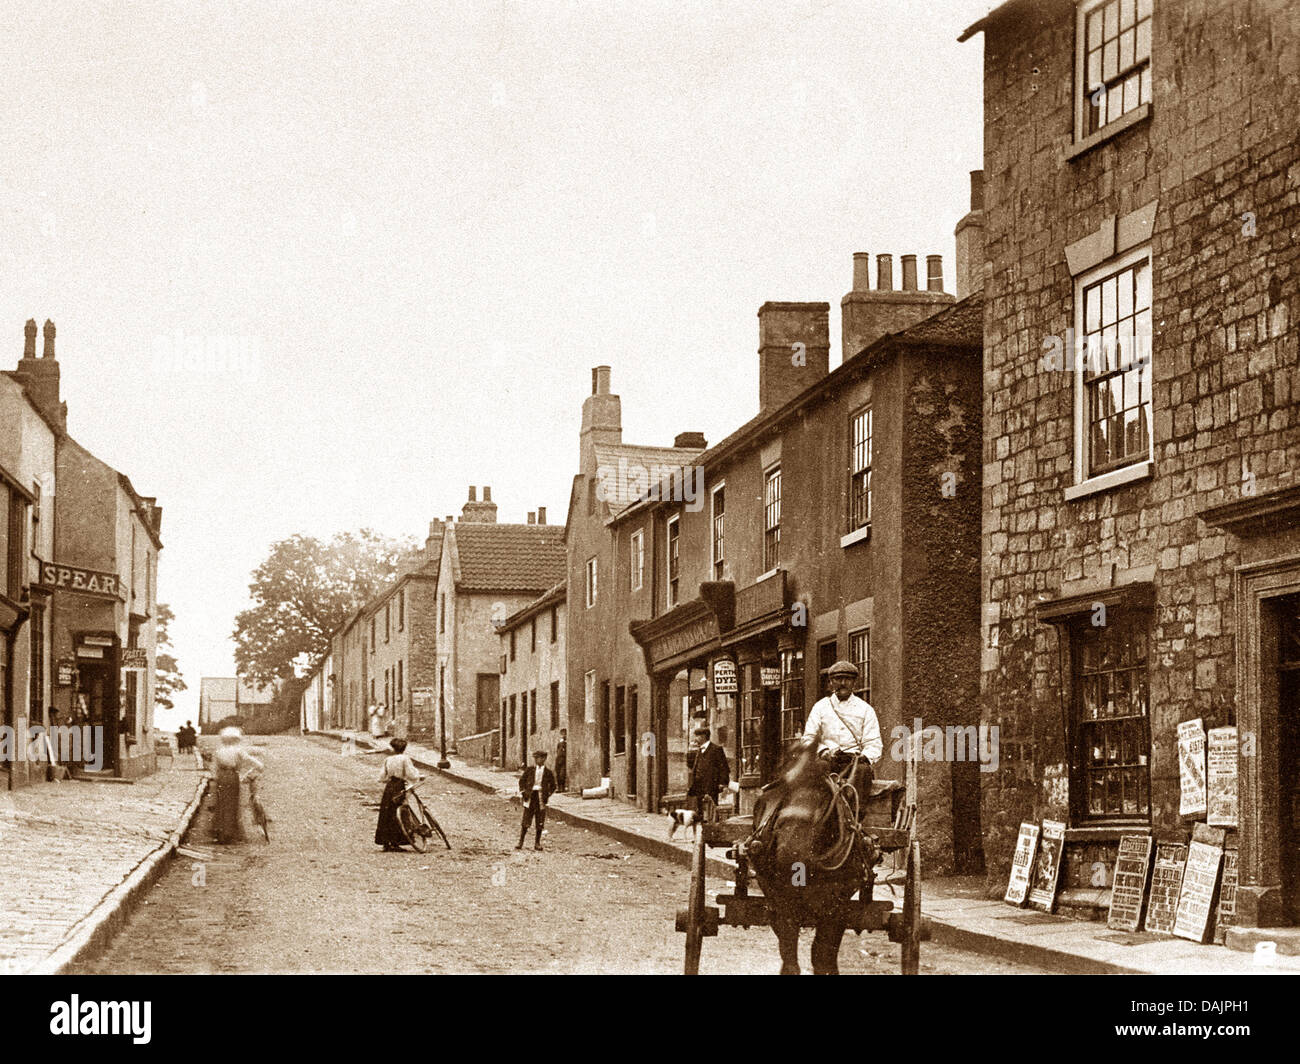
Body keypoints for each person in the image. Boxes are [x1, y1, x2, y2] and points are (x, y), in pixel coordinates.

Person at [802, 660, 882, 792]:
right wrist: (824, 751)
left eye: (848, 679)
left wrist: (863, 757)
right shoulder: (820, 707)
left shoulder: (865, 709)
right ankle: (819, 812)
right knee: (817, 769)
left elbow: (874, 743)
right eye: (838, 679)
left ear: (854, 683)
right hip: (828, 761)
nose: (843, 683)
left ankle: (855, 811)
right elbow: (808, 738)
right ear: (831, 682)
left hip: (854, 762)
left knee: (863, 771)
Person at [212, 727, 264, 844]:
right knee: (232, 803)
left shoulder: (219, 751)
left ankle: (220, 831)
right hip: (232, 776)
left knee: (221, 803)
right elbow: (248, 759)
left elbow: (214, 767)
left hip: (221, 776)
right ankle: (229, 832)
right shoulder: (237, 750)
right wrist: (260, 765)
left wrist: (216, 778)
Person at [375, 737, 423, 852]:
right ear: (404, 748)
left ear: (393, 748)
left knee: (387, 812)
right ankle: (396, 841)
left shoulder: (388, 759)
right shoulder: (405, 759)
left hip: (389, 787)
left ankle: (385, 842)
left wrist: (388, 779)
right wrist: (418, 776)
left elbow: (382, 777)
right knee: (400, 812)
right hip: (399, 786)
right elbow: (411, 773)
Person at [686, 727, 730, 822]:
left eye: (697, 736)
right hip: (699, 784)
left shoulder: (716, 749)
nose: (695, 739)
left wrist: (723, 783)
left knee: (712, 806)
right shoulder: (698, 750)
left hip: (711, 783)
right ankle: (703, 825)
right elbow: (691, 765)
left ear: (703, 737)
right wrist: (690, 752)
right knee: (700, 806)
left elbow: (724, 768)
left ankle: (713, 824)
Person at [517, 750, 556, 851]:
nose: (538, 760)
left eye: (540, 758)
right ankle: (520, 842)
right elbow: (522, 781)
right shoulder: (529, 770)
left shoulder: (548, 772)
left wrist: (547, 794)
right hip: (530, 796)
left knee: (540, 821)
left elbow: (553, 786)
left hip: (540, 797)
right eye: (536, 758)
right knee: (526, 819)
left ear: (544, 759)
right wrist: (523, 792)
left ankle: (537, 843)